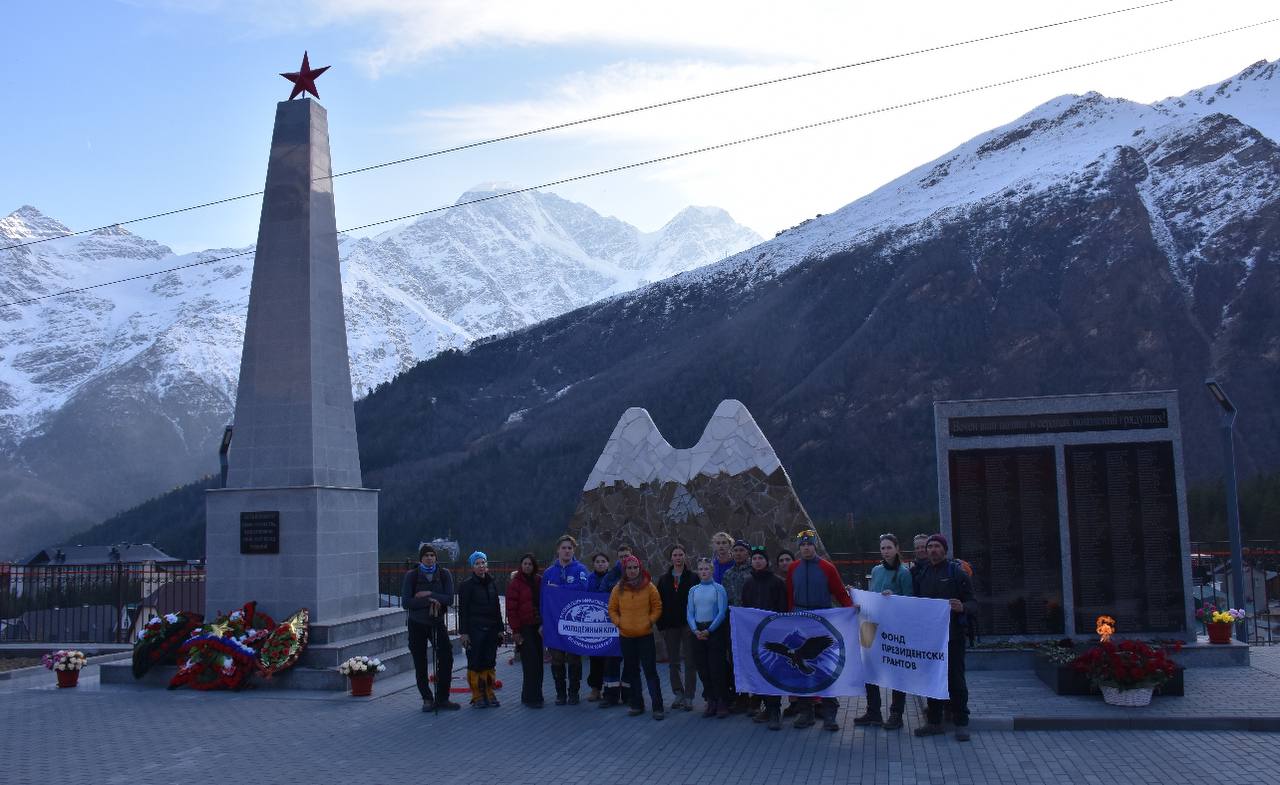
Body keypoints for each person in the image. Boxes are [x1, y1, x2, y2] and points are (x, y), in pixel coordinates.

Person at [786, 529, 855, 731]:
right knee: (801, 668)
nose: (806, 548)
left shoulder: (827, 568)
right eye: (803, 545)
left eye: (809, 544)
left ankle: (829, 714)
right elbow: (789, 594)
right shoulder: (793, 568)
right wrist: (789, 618)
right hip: (800, 620)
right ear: (799, 548)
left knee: (825, 667)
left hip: (822, 621)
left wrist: (850, 609)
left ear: (814, 546)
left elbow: (840, 592)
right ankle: (805, 712)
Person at [912, 533, 978, 742]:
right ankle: (934, 722)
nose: (932, 550)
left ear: (945, 550)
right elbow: (912, 602)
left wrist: (962, 607)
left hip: (953, 636)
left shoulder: (957, 573)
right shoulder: (922, 574)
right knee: (932, 679)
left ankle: (961, 723)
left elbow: (973, 603)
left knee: (956, 680)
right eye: (930, 546)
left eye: (937, 546)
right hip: (930, 637)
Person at [854, 534, 914, 730]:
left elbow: (909, 600)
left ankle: (896, 713)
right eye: (883, 548)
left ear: (897, 548)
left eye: (889, 547)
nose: (886, 551)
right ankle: (873, 711)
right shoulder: (876, 570)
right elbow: (872, 595)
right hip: (871, 624)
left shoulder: (904, 573)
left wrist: (894, 597)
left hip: (892, 627)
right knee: (868, 667)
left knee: (896, 670)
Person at [400, 544, 461, 712]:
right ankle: (427, 698)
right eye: (426, 555)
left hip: (436, 622)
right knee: (420, 661)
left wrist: (428, 594)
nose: (429, 558)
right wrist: (431, 601)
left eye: (432, 555)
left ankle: (443, 698)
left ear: (436, 557)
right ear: (421, 558)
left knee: (446, 657)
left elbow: (449, 599)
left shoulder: (444, 574)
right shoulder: (412, 576)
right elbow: (406, 602)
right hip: (417, 623)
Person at [608, 554, 665, 720]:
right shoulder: (618, 589)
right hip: (626, 636)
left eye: (635, 567)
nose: (632, 571)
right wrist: (619, 622)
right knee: (632, 671)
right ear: (624, 570)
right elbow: (612, 609)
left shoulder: (649, 587)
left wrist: (650, 621)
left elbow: (657, 606)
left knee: (650, 671)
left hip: (645, 635)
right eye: (629, 568)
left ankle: (658, 706)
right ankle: (637, 704)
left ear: (640, 569)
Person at [740, 545, 787, 730]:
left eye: (761, 558)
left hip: (773, 636)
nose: (757, 561)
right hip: (755, 635)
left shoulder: (777, 582)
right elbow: (745, 608)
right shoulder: (748, 583)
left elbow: (782, 609)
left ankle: (775, 711)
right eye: (755, 558)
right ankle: (767, 707)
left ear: (767, 561)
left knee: (773, 672)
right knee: (760, 672)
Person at [542, 534, 590, 705]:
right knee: (557, 659)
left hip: (574, 624)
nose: (567, 551)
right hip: (554, 624)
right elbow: (543, 599)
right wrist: (543, 623)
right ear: (558, 550)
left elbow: (583, 588)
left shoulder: (581, 570)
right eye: (564, 547)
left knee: (574, 659)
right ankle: (560, 693)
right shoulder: (549, 573)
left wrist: (560, 588)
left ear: (574, 550)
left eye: (570, 548)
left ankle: (574, 693)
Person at [655, 544, 697, 711]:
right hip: (670, 625)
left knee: (690, 661)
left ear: (685, 557)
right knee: (673, 662)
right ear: (671, 558)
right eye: (675, 555)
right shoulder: (664, 579)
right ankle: (678, 692)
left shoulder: (693, 577)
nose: (678, 557)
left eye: (680, 554)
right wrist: (661, 624)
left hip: (688, 625)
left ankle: (689, 696)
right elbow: (658, 602)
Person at [458, 551, 503, 708]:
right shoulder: (467, 585)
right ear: (472, 567)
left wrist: (500, 629)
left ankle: (489, 692)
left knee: (490, 661)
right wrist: (464, 633)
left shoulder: (492, 583)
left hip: (491, 628)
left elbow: (497, 607)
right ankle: (477, 695)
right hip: (474, 629)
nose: (481, 566)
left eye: (483, 562)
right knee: (475, 662)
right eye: (477, 563)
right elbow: (462, 610)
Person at [687, 556, 730, 718]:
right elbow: (690, 612)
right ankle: (710, 699)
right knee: (703, 668)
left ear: (712, 570)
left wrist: (709, 630)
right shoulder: (693, 590)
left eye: (707, 568)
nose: (704, 571)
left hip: (714, 631)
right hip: (698, 631)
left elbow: (722, 612)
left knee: (716, 667)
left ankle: (722, 700)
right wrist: (695, 630)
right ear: (697, 572)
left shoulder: (718, 588)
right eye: (701, 569)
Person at [505, 553, 544, 708]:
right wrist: (516, 631)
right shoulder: (515, 583)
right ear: (521, 566)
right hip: (524, 627)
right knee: (530, 663)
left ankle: (536, 695)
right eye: (525, 563)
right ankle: (530, 697)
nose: (527, 566)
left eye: (530, 564)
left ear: (534, 566)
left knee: (539, 662)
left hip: (538, 627)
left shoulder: (539, 581)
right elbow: (511, 609)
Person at [587, 551, 625, 706]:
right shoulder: (589, 579)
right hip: (595, 625)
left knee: (611, 659)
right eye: (597, 561)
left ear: (608, 563)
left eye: (603, 561)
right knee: (595, 658)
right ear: (593, 564)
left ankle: (611, 690)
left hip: (611, 624)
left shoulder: (614, 577)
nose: (600, 564)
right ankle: (595, 688)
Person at [721, 538, 753, 713]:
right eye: (736, 550)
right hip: (732, 622)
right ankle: (740, 695)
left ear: (747, 553)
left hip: (750, 623)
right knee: (735, 660)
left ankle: (755, 697)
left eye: (742, 550)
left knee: (751, 658)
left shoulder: (753, 571)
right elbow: (725, 599)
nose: (739, 553)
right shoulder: (728, 574)